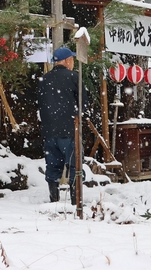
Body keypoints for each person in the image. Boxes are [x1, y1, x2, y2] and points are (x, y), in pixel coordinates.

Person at [38, 46, 87, 203]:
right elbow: (83, 104)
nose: (72, 62)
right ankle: (75, 201)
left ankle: (54, 199)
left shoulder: (44, 79)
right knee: (74, 165)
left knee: (52, 166)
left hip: (49, 131)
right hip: (69, 130)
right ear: (67, 61)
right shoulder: (74, 77)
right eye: (71, 59)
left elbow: (40, 104)